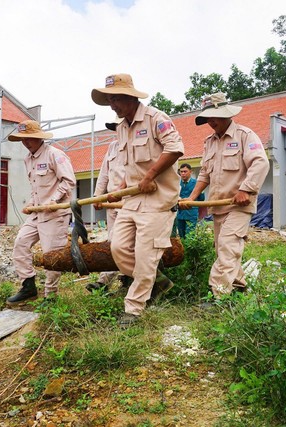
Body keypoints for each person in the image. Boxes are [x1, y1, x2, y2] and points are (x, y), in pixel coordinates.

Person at [91, 73, 184, 327]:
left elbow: (175, 148)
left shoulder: (156, 118)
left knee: (145, 254)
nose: (112, 105)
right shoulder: (121, 127)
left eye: (115, 99)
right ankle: (157, 281)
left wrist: (151, 174)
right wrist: (120, 187)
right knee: (118, 248)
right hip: (132, 200)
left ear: (130, 97)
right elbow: (128, 164)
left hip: (158, 200)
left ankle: (134, 309)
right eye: (109, 100)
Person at [180, 92, 269, 302]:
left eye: (214, 117)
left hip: (239, 205)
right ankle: (239, 286)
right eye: (207, 118)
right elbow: (204, 174)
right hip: (218, 206)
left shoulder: (245, 135)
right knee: (224, 248)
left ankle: (218, 295)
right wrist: (191, 198)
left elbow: (260, 163)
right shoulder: (209, 142)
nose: (210, 122)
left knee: (227, 246)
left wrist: (246, 189)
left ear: (226, 114)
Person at [6, 120, 76, 304]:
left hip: (55, 214)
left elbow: (68, 181)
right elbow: (36, 187)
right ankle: (28, 286)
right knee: (20, 243)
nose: (26, 142)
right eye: (23, 139)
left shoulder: (55, 155)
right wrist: (31, 203)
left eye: (29, 138)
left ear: (38, 137)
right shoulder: (28, 159)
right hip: (37, 213)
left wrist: (54, 200)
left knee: (51, 255)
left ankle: (51, 296)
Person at [88, 118, 125, 292]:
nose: (120, 130)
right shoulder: (112, 147)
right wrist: (97, 196)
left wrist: (119, 193)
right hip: (112, 204)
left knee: (119, 241)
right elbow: (104, 174)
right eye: (117, 127)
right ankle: (109, 281)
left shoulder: (137, 147)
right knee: (114, 241)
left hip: (129, 202)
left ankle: (105, 281)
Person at [175, 163, 204, 238]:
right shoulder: (177, 183)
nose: (183, 174)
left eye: (185, 171)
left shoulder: (196, 183)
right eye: (181, 172)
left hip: (191, 213)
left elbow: (201, 198)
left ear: (190, 172)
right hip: (179, 214)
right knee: (181, 236)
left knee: (190, 235)